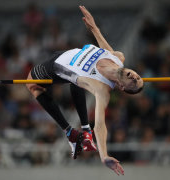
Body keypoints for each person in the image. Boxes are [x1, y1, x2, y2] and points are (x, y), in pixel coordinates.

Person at [26, 6, 143, 175]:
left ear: (123, 87)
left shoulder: (102, 90)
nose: (135, 78)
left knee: (31, 85)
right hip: (68, 53)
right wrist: (94, 27)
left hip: (56, 67)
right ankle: (81, 131)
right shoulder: (118, 57)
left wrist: (104, 155)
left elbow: (101, 126)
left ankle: (69, 131)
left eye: (135, 84)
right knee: (77, 82)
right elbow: (103, 45)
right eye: (138, 77)